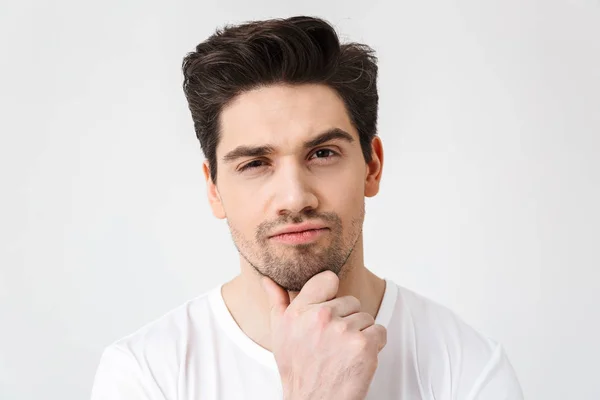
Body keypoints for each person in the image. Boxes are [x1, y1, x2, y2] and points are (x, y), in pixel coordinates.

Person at [90, 15, 524, 400]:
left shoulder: (467, 366)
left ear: (372, 167)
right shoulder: (144, 376)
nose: (295, 197)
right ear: (214, 189)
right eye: (255, 163)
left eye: (322, 154)